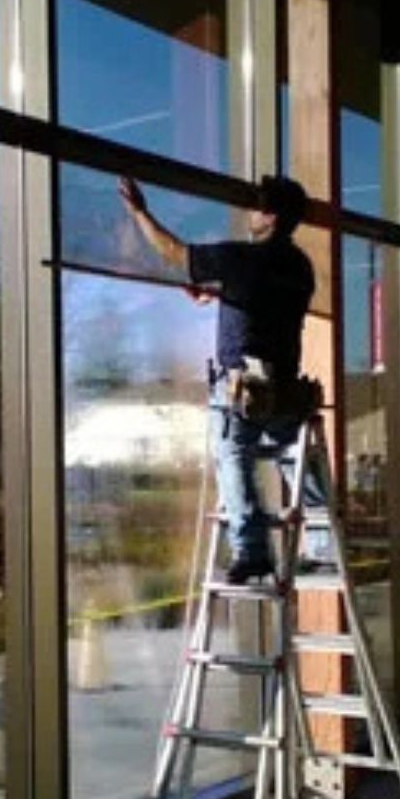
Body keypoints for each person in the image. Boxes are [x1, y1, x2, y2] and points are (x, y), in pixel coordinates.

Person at [118, 173, 319, 583]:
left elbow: (175, 253)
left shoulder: (243, 258)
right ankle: (324, 544)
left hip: (245, 387)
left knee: (233, 458)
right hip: (285, 387)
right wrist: (223, 294)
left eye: (256, 207)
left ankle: (252, 551)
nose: (249, 214)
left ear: (271, 216)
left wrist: (140, 213)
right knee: (293, 457)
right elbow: (268, 302)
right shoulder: (300, 267)